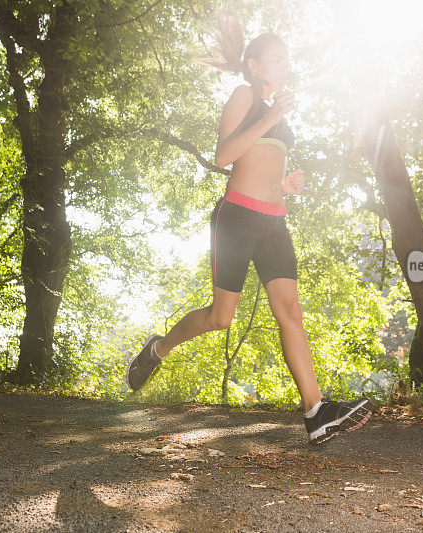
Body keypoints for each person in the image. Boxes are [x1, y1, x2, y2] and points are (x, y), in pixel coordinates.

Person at [127, 23, 374, 445]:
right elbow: (224, 156)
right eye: (277, 59)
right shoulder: (245, 97)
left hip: (274, 221)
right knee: (220, 318)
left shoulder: (273, 109)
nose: (285, 65)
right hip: (237, 217)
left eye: (287, 60)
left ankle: (316, 413)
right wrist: (273, 115)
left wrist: (285, 185)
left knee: (290, 311)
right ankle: (159, 348)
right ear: (255, 65)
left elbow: (262, 165)